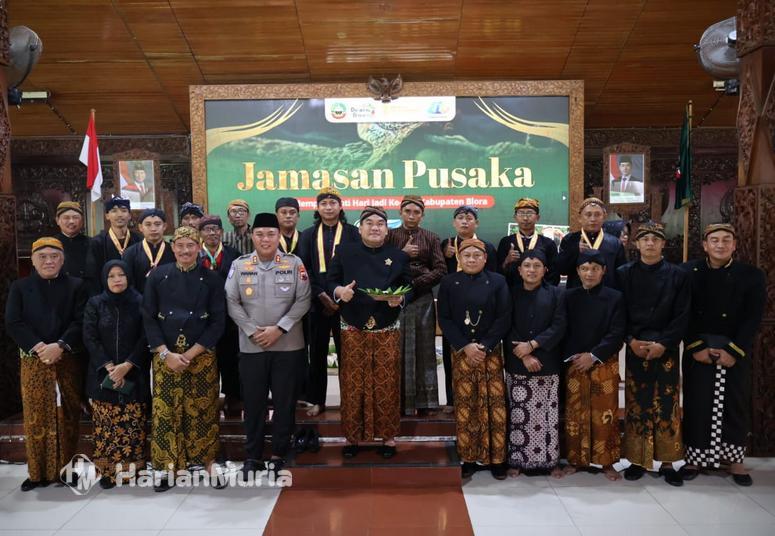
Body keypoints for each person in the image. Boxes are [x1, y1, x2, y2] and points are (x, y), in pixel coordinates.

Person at [680, 223, 766, 486]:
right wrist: (696, 347)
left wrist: (734, 350)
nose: (720, 245)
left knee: (735, 403)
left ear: (734, 245)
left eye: (726, 240)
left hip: (735, 350)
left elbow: (753, 317)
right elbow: (683, 312)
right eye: (714, 240)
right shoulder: (688, 272)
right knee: (697, 402)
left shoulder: (751, 275)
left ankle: (735, 461)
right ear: (705, 245)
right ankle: (695, 457)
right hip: (699, 348)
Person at [226, 213, 311, 478]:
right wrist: (252, 331)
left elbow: (303, 299)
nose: (265, 239)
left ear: (278, 236)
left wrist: (280, 328)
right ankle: (253, 455)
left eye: (270, 234)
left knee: (285, 403)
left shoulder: (294, 263)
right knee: (253, 403)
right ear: (253, 236)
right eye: (260, 234)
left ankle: (279, 453)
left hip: (287, 345)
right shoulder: (240, 265)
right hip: (252, 347)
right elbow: (231, 301)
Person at [142, 226, 226, 492]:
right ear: (173, 248)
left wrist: (190, 353)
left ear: (198, 247)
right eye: (180, 246)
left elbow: (217, 321)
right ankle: (168, 466)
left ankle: (207, 461)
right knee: (167, 412)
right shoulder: (158, 276)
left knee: (203, 410)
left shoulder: (211, 279)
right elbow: (148, 317)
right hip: (166, 356)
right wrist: (165, 353)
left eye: (191, 245)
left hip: (200, 356)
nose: (186, 251)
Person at [327, 206, 411, 459]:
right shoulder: (345, 252)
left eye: (380, 224)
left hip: (387, 324)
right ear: (360, 228)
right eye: (369, 223)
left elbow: (409, 285)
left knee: (387, 381)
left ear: (387, 230)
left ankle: (388, 437)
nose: (375, 227)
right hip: (353, 322)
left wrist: (401, 299)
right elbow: (330, 280)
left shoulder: (398, 256)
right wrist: (340, 291)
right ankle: (353, 436)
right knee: (353, 382)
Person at [5, 237, 88, 491]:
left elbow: (81, 320)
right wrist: (40, 347)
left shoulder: (77, 285)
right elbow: (13, 322)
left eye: (54, 256)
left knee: (69, 415)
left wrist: (60, 345)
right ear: (33, 260)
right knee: (36, 415)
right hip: (34, 360)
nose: (49, 261)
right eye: (43, 257)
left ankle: (68, 471)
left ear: (62, 260)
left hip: (66, 359)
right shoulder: (20, 287)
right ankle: (37, 472)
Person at [616, 222, 690, 486]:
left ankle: (669, 462)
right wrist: (630, 340)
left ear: (662, 244)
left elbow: (683, 314)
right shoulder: (624, 273)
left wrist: (664, 343)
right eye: (644, 239)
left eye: (655, 239)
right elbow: (619, 311)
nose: (649, 243)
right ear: (636, 244)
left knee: (667, 405)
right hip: (636, 346)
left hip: (665, 348)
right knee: (638, 403)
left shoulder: (678, 275)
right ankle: (637, 460)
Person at [438, 238, 511, 479]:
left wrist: (485, 345)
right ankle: (468, 457)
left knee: (494, 403)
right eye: (466, 255)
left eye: (476, 255)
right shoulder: (449, 282)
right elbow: (445, 318)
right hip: (462, 352)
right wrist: (465, 346)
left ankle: (497, 458)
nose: (471, 259)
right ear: (459, 258)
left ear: (485, 258)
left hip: (490, 351)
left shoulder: (498, 281)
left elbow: (504, 316)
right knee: (466, 404)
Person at [82, 260, 149, 489]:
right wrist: (109, 366)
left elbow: (145, 337)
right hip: (103, 374)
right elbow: (90, 337)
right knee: (106, 426)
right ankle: (108, 472)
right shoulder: (95, 303)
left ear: (129, 277)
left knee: (132, 424)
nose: (117, 279)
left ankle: (133, 471)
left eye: (121, 274)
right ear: (104, 279)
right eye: (111, 276)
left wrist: (127, 365)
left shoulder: (140, 302)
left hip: (133, 373)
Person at [563, 250, 625, 481]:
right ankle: (576, 460)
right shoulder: (568, 296)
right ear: (578, 271)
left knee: (604, 414)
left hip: (603, 362)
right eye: (585, 269)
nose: (590, 273)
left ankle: (607, 461)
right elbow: (563, 328)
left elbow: (617, 332)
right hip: (575, 362)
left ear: (603, 271)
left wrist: (594, 355)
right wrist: (577, 356)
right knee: (575, 413)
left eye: (595, 269)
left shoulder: (615, 297)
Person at [299, 187, 360, 416]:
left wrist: (339, 296)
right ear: (317, 208)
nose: (328, 207)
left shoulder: (353, 233)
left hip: (346, 303)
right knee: (316, 353)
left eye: (332, 203)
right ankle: (316, 400)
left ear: (340, 206)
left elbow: (356, 267)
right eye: (323, 203)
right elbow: (304, 269)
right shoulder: (307, 234)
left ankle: (350, 400)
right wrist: (322, 296)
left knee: (349, 355)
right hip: (317, 304)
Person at [505, 250, 566, 478]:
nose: (531, 270)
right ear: (519, 270)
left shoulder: (557, 294)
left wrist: (532, 345)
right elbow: (505, 325)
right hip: (517, 361)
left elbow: (559, 326)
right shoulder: (509, 294)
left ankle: (550, 461)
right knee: (519, 414)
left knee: (547, 416)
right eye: (527, 265)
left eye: (537, 265)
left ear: (545, 270)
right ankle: (517, 460)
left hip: (546, 361)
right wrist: (524, 354)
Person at [386, 195, 446, 416]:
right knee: (397, 350)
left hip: (422, 299)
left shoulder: (431, 237)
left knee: (424, 348)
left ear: (423, 214)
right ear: (400, 212)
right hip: (395, 299)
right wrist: (402, 255)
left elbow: (440, 269)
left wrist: (414, 285)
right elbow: (383, 266)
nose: (412, 216)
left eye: (416, 212)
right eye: (408, 211)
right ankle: (398, 401)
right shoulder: (390, 237)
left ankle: (426, 402)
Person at [439, 205, 497, 412]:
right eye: (460, 218)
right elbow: (440, 273)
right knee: (450, 355)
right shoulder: (445, 245)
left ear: (477, 223)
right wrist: (446, 256)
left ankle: (484, 398)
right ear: (454, 223)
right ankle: (452, 400)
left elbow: (494, 278)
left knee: (483, 358)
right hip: (455, 308)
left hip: (482, 309)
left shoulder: (488, 247)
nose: (465, 221)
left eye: (469, 218)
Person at [199, 214, 244, 418]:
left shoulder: (233, 254)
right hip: (202, 318)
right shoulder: (195, 255)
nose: (212, 233)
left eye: (216, 229)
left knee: (230, 359)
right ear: (200, 233)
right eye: (207, 229)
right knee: (205, 359)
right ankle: (208, 398)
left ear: (221, 232)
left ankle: (232, 397)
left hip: (228, 317)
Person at [555, 197, 626, 289]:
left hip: (606, 296)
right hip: (576, 295)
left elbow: (620, 274)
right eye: (588, 215)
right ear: (580, 218)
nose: (593, 219)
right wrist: (575, 251)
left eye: (597, 215)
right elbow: (561, 269)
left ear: (604, 217)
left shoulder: (614, 243)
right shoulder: (570, 240)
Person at [496, 197, 559, 286]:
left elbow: (554, 274)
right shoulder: (506, 242)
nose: (525, 218)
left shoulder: (548, 244)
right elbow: (497, 273)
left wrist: (545, 292)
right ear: (515, 217)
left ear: (537, 217)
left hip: (541, 294)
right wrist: (507, 261)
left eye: (529, 213)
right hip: (512, 294)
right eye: (521, 213)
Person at [85, 197, 142, 294]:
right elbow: (93, 275)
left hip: (134, 296)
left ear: (129, 215)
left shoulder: (139, 240)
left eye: (124, 210)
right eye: (114, 211)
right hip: (106, 296)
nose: (119, 215)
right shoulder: (97, 242)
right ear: (107, 215)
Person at [121, 208, 175, 293]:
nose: (153, 229)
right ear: (140, 227)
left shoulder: (174, 251)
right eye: (148, 224)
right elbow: (128, 283)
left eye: (157, 224)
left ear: (164, 226)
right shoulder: (130, 253)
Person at [54, 201, 89, 279]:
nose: (71, 221)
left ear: (82, 221)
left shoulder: (93, 244)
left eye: (75, 217)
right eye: (66, 218)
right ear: (57, 220)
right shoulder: (50, 245)